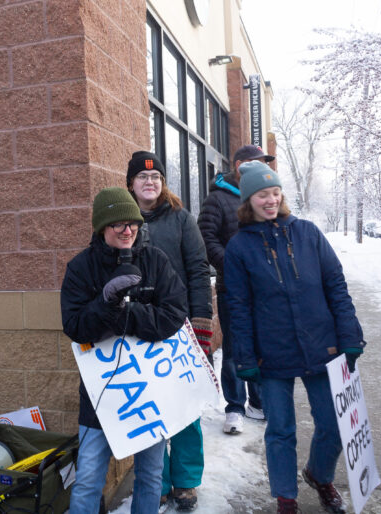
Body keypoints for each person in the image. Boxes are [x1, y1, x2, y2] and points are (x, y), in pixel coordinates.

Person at [224, 161, 365, 514]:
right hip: (270, 354)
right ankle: (286, 497)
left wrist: (350, 334)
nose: (270, 200)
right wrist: (243, 356)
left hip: (322, 344)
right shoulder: (239, 247)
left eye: (275, 193)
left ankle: (320, 475)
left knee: (332, 425)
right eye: (262, 195)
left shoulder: (308, 233)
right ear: (248, 200)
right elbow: (237, 306)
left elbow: (335, 285)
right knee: (281, 430)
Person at [61, 187, 188, 514]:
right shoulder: (80, 268)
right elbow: (74, 327)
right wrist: (105, 303)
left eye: (131, 222)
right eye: (117, 224)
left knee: (150, 474)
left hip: (148, 392)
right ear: (102, 227)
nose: (127, 230)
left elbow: (174, 315)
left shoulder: (155, 261)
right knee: (88, 477)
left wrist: (128, 315)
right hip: (100, 394)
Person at [125, 151, 212, 511]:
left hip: (179, 328)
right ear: (130, 183)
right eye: (143, 178)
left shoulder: (181, 219)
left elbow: (197, 271)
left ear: (163, 183)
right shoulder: (120, 219)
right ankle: (155, 481)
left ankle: (186, 480)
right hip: (137, 329)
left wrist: (202, 325)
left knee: (184, 409)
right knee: (149, 410)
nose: (150, 183)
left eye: (156, 178)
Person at [199, 144, 270, 435]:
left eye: (264, 165)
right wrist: (233, 263)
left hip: (263, 289)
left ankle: (259, 402)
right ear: (239, 165)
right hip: (233, 288)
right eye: (256, 164)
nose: (262, 169)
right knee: (233, 349)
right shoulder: (217, 199)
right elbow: (206, 237)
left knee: (260, 345)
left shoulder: (262, 198)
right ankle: (235, 407)